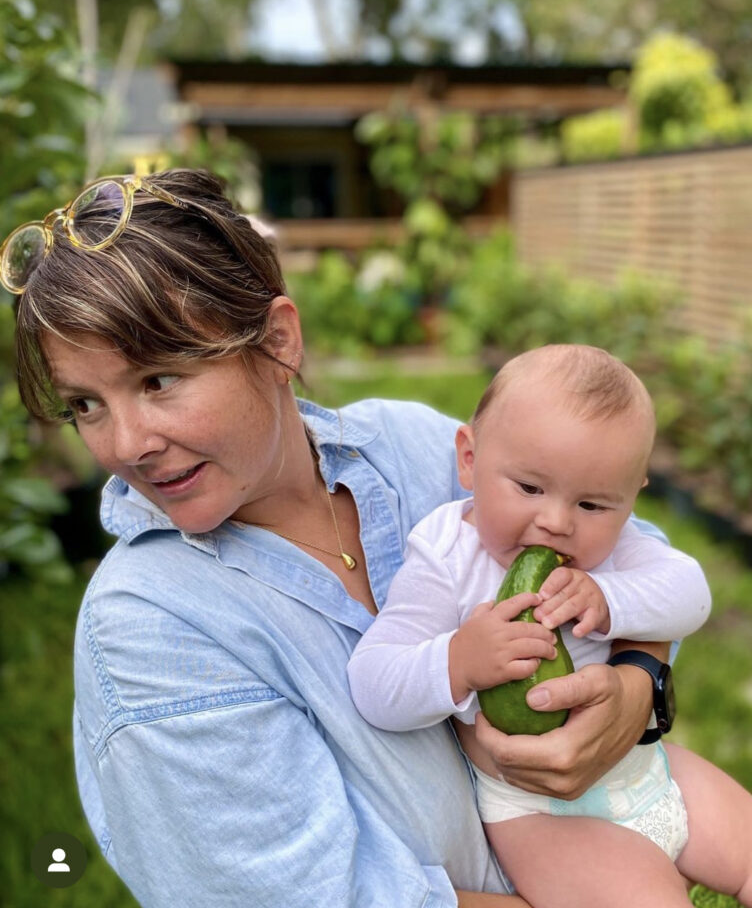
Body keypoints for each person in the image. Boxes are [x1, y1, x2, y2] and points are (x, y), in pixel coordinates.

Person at [4, 168, 692, 908]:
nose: (127, 443)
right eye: (85, 404)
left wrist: (637, 686)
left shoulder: (414, 449)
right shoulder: (150, 630)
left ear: (277, 342)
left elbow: (627, 550)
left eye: (159, 380)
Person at [348, 345, 752, 908]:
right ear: (469, 459)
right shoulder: (446, 556)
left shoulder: (614, 553)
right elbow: (373, 682)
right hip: (540, 813)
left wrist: (610, 596)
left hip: (646, 766)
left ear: (632, 497)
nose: (556, 522)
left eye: (594, 504)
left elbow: (691, 594)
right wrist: (457, 659)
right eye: (529, 488)